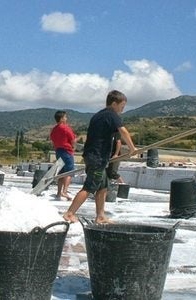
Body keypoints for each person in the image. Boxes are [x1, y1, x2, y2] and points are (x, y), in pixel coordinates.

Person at [63, 90, 136, 224]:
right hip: (96, 157)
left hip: (96, 157)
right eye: (122, 106)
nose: (123, 110)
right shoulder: (111, 114)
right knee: (90, 187)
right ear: (114, 104)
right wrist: (132, 149)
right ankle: (69, 213)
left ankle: (100, 216)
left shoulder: (99, 115)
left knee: (103, 187)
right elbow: (123, 131)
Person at [49, 110, 76, 200]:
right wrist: (73, 147)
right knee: (69, 172)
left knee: (61, 173)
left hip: (58, 151)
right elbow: (72, 139)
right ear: (61, 119)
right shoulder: (65, 128)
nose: (66, 118)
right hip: (67, 151)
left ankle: (59, 193)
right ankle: (65, 191)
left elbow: (52, 139)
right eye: (65, 117)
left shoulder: (54, 129)